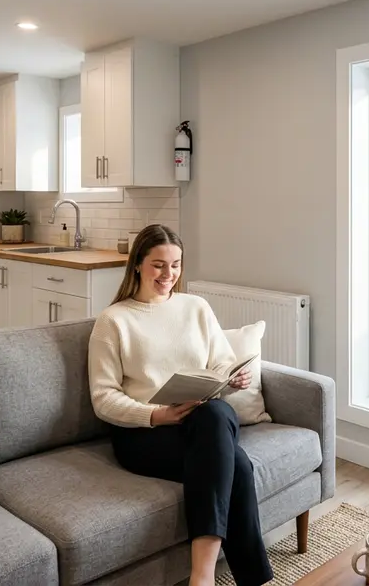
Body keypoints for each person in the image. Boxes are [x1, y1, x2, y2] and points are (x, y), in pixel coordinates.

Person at [88, 224, 273, 586]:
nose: (168, 275)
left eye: (175, 265)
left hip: (198, 422)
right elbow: (103, 397)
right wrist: (156, 415)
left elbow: (220, 361)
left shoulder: (196, 307)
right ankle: (235, 578)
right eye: (158, 265)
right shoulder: (114, 321)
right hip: (144, 434)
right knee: (237, 462)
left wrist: (230, 379)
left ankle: (202, 577)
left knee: (218, 415)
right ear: (138, 265)